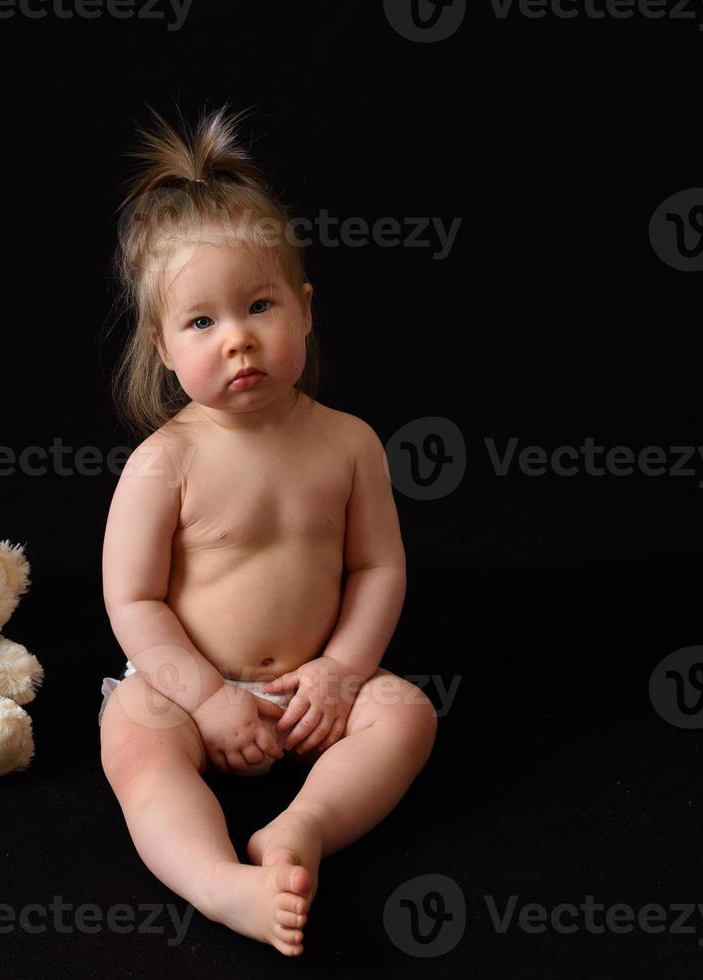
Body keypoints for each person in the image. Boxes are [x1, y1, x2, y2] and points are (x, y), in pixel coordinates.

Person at [97, 104, 437, 956]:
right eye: (203, 322)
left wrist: (342, 671)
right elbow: (133, 599)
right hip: (188, 688)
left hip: (308, 696)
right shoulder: (162, 463)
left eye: (259, 305)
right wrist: (205, 698)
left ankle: (302, 827)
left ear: (306, 309)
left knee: (407, 715)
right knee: (134, 740)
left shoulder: (350, 443)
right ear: (164, 346)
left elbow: (378, 570)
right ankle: (216, 882)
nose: (239, 340)